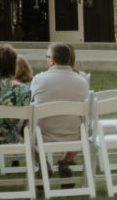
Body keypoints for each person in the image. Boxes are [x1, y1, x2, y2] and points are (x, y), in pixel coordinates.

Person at [31, 42, 89, 180]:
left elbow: (30, 103)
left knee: (24, 131)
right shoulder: (82, 81)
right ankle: (65, 161)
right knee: (85, 129)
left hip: (43, 135)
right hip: (74, 134)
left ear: (51, 59)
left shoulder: (39, 80)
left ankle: (42, 164)